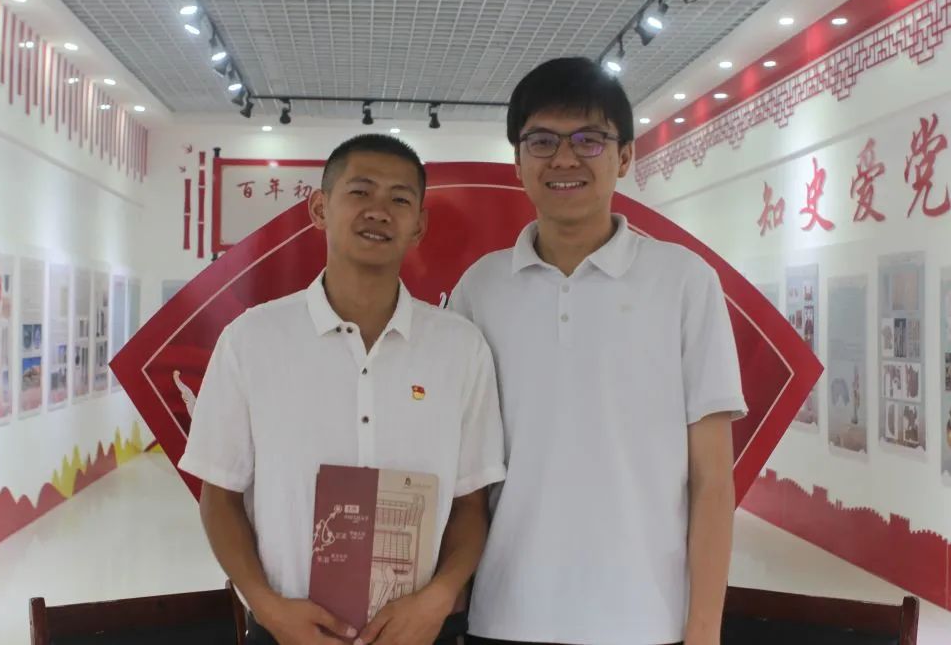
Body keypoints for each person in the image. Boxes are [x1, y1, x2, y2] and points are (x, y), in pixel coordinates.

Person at [449, 57, 747, 645]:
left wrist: (704, 628)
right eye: (542, 141)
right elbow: (463, 474)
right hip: (505, 614)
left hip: (645, 620)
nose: (564, 159)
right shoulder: (480, 289)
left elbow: (712, 479)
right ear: (518, 161)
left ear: (625, 156)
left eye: (589, 139)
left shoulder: (684, 281)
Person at [179, 134, 506, 645]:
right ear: (319, 208)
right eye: (360, 191)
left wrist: (440, 598)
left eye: (400, 199)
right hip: (288, 631)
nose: (379, 210)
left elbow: (471, 504)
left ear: (419, 225)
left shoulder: (461, 348)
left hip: (419, 633)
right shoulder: (251, 340)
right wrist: (267, 608)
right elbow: (218, 497)